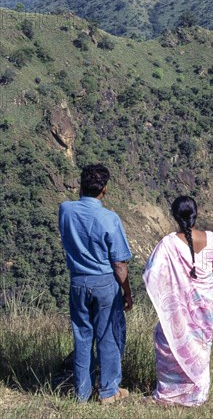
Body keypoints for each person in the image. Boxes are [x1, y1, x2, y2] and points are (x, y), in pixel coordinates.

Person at [58, 164, 133, 405]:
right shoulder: (110, 218)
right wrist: (127, 292)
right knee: (107, 337)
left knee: (82, 337)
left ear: (80, 185)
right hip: (104, 284)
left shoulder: (65, 210)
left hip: (78, 281)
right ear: (105, 189)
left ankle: (82, 393)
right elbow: (119, 263)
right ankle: (109, 391)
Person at [143, 196, 213, 407]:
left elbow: (151, 274)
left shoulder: (168, 244)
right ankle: (196, 393)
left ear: (175, 217)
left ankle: (170, 393)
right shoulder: (212, 239)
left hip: (178, 308)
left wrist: (166, 295)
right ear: (197, 214)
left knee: (167, 341)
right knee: (201, 349)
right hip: (206, 307)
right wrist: (210, 295)